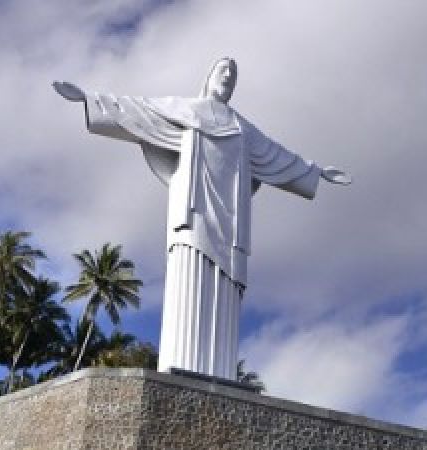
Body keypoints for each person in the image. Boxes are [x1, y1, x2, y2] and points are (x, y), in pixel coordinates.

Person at [54, 59, 350, 380]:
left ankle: (219, 376)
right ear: (209, 78)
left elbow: (276, 155)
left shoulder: (242, 129)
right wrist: (90, 98)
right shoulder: (186, 110)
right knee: (189, 271)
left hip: (232, 221)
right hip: (192, 212)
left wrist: (315, 172)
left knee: (225, 288)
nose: (228, 77)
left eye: (233, 75)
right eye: (223, 71)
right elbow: (138, 110)